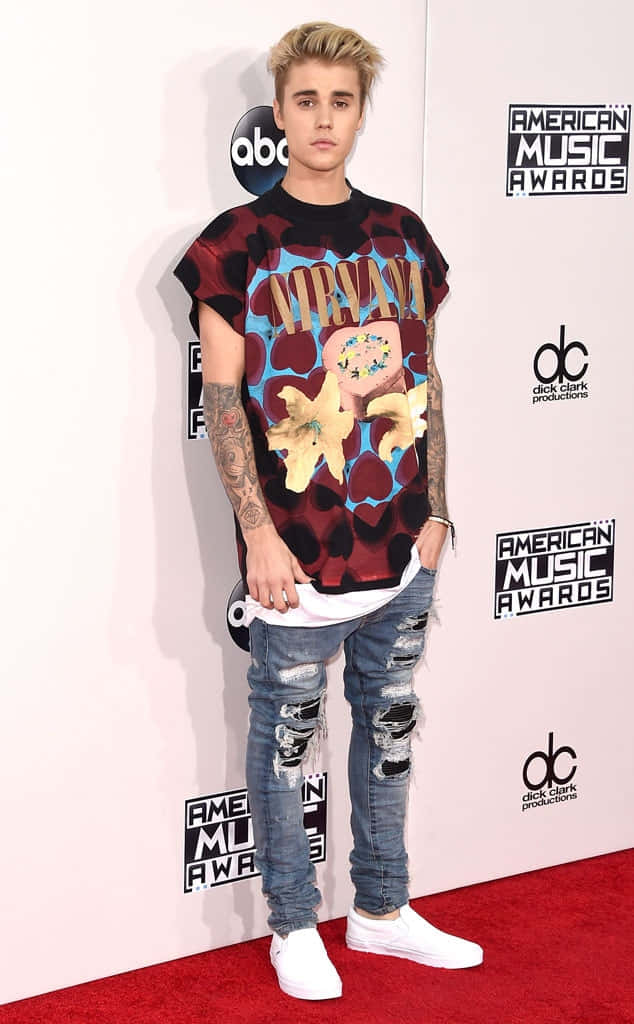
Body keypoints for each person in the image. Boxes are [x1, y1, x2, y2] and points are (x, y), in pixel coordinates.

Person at [173, 20, 483, 1001]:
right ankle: (293, 923)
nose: (322, 119)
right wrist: (257, 533)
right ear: (279, 110)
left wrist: (439, 510)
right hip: (298, 553)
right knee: (286, 740)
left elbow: (425, 376)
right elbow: (224, 400)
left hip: (402, 542)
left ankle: (382, 912)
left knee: (388, 731)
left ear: (358, 113)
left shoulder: (404, 236)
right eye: (305, 100)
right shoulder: (236, 244)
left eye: (340, 102)